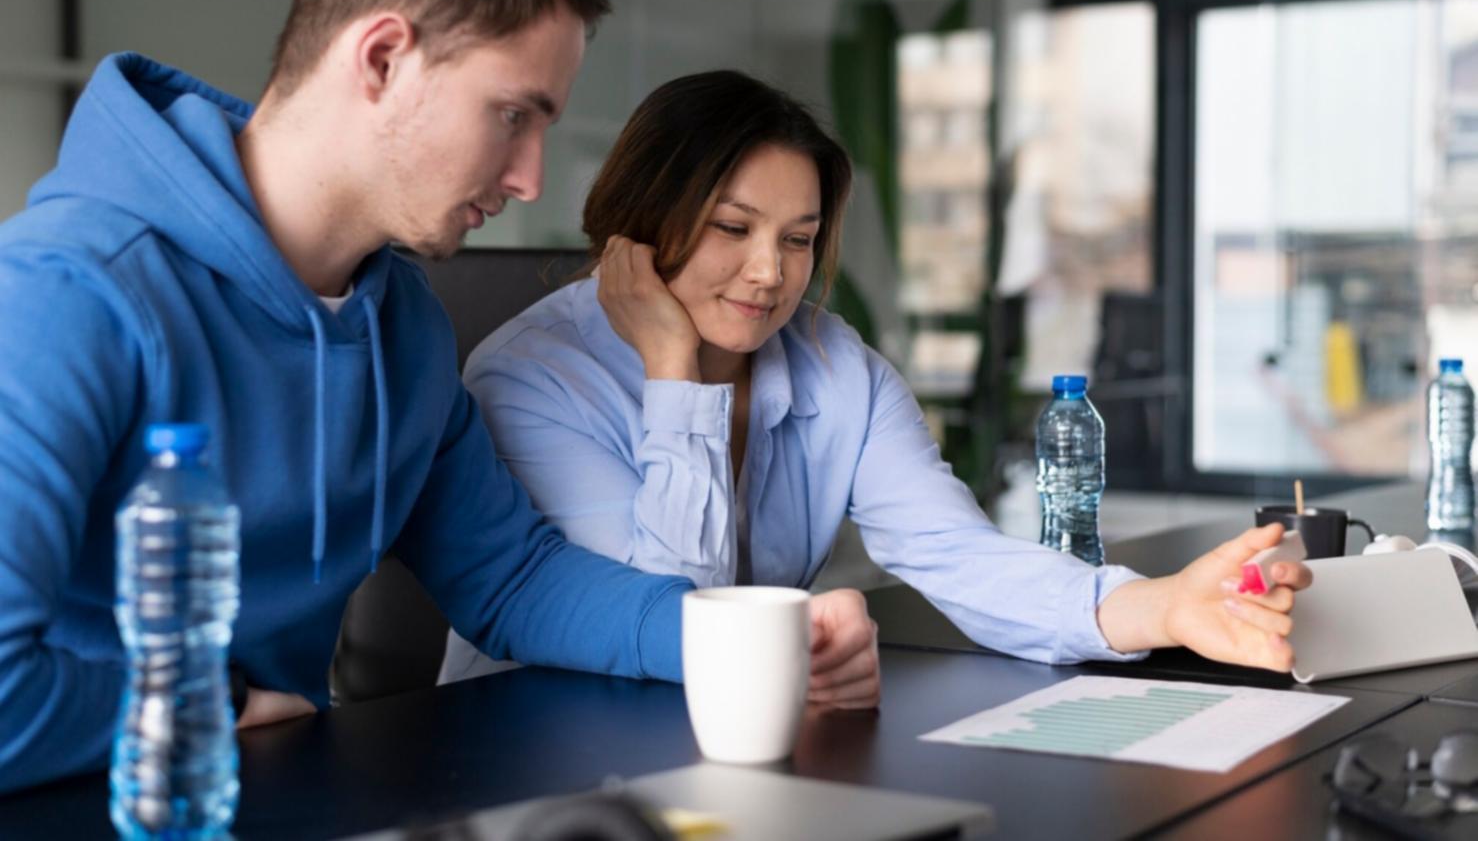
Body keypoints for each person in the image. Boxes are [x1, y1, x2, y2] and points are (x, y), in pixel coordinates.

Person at [0, 0, 875, 795]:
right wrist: (198, 701)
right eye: (512, 116)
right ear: (382, 59)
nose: (535, 178)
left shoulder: (401, 325)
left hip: (276, 797)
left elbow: (511, 578)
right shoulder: (63, 295)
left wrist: (752, 637)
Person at [442, 69, 1313, 685]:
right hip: (530, 755)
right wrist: (674, 377)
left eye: (796, 238)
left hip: (735, 753)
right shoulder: (529, 380)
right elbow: (683, 631)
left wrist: (1162, 608)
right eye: (731, 227)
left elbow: (959, 556)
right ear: (640, 223)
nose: (768, 274)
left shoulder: (834, 365)